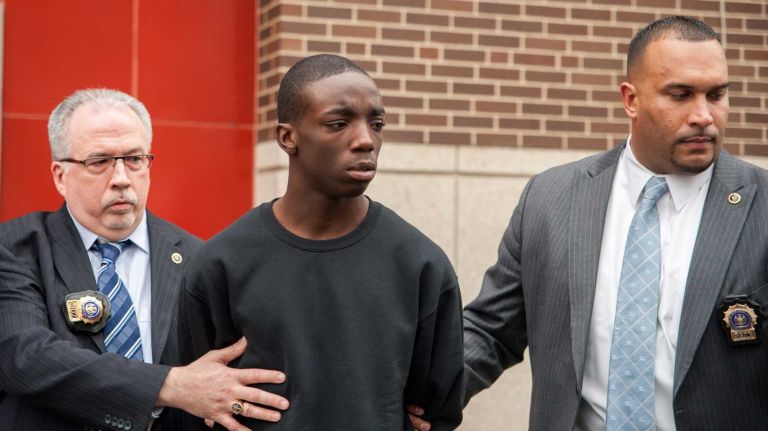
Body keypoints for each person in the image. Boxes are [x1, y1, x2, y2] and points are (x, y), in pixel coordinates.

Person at [409, 15, 768, 430]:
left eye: (717, 94)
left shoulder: (759, 205)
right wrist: (415, 396)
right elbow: (492, 330)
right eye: (681, 94)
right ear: (630, 99)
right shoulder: (551, 199)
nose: (704, 115)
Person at [178, 54, 464, 430]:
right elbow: (190, 407)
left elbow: (436, 413)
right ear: (288, 137)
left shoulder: (420, 264)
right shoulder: (220, 264)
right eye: (338, 123)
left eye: (376, 124)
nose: (365, 140)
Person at [0, 88, 289, 431]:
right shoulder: (16, 249)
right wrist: (172, 386)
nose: (121, 179)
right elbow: (26, 359)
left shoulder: (201, 259)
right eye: (99, 162)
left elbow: (228, 373)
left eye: (134, 159)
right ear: (60, 176)